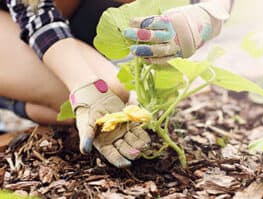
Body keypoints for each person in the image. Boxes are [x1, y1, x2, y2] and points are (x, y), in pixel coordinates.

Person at [0, 0, 233, 168]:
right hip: (25, 16)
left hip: (63, 12)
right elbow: (34, 12)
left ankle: (16, 99)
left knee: (89, 107)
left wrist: (208, 14)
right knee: (107, 93)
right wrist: (86, 86)